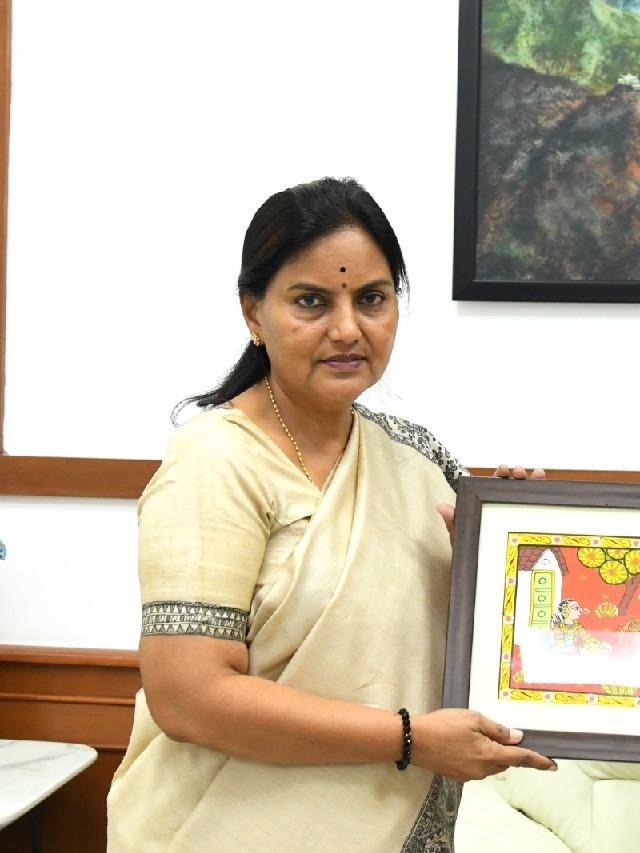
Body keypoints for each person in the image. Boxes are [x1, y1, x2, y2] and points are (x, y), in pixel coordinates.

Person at [106, 177, 554, 852]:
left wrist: (516, 553)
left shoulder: (421, 462)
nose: (347, 328)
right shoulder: (216, 460)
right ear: (253, 313)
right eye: (311, 301)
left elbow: (485, 644)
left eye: (371, 298)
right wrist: (409, 738)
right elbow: (186, 695)